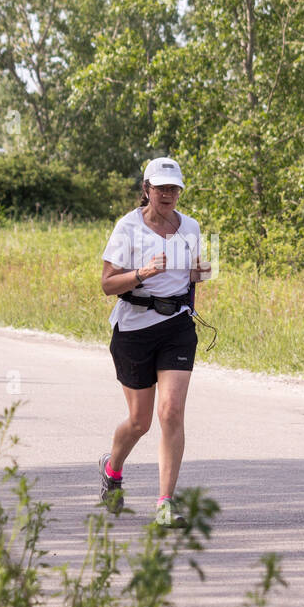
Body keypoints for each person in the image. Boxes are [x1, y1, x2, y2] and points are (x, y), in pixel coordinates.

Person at [98, 156, 211, 528]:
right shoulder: (128, 228)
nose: (168, 195)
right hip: (133, 330)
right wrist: (142, 273)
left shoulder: (190, 227)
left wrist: (200, 271)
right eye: (161, 188)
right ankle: (112, 469)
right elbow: (107, 284)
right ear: (146, 189)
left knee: (171, 412)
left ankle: (165, 502)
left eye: (174, 189)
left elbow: (199, 274)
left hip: (176, 327)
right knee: (139, 421)